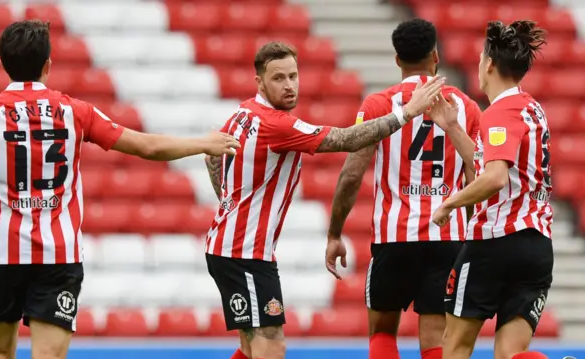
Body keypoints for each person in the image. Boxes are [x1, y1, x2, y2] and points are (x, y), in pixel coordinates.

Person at [0, 20, 240, 359]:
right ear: (48, 66)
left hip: (0, 256)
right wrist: (202, 142)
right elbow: (147, 147)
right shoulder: (75, 111)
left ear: (2, 65)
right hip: (57, 256)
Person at [203, 41, 445, 359]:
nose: (289, 85)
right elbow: (344, 139)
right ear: (259, 82)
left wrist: (228, 201)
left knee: (250, 349)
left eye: (293, 76)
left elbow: (212, 155)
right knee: (271, 346)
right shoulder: (278, 124)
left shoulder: (244, 112)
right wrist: (407, 113)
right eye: (278, 79)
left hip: (232, 247)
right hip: (244, 253)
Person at [324, 18, 481, 359]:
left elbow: (351, 175)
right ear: (436, 56)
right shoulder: (466, 108)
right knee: (435, 339)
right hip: (446, 237)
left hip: (394, 235)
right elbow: (477, 179)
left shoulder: (379, 105)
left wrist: (334, 233)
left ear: (397, 59)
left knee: (382, 331)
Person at [428, 20, 553, 359]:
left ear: (490, 64)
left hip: (495, 243)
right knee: (511, 354)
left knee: (454, 345)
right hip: (537, 247)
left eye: (482, 57)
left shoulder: (500, 112)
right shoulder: (532, 109)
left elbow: (495, 177)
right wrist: (453, 127)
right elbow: (493, 166)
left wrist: (449, 204)